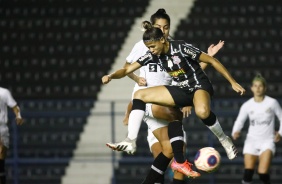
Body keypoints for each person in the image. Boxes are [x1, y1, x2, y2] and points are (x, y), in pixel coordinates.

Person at [102, 21, 245, 183]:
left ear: (162, 40)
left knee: (202, 112)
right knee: (140, 95)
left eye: (152, 47)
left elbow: (212, 61)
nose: (151, 51)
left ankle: (224, 139)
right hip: (180, 89)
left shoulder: (181, 47)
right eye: (148, 48)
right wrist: (111, 76)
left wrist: (232, 82)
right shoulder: (152, 54)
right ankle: (131, 141)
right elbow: (127, 69)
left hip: (198, 85)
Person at [232, 74, 282, 184]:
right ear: (252, 88)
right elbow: (240, 120)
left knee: (262, 173)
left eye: (260, 86)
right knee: (248, 173)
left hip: (267, 141)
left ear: (265, 88)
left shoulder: (272, 103)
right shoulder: (247, 105)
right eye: (255, 86)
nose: (258, 88)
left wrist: (280, 133)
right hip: (251, 141)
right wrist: (236, 131)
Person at [0, 87, 24, 184]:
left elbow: (15, 106)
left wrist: (18, 116)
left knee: (1, 161)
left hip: (1, 129)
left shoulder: (3, 92)